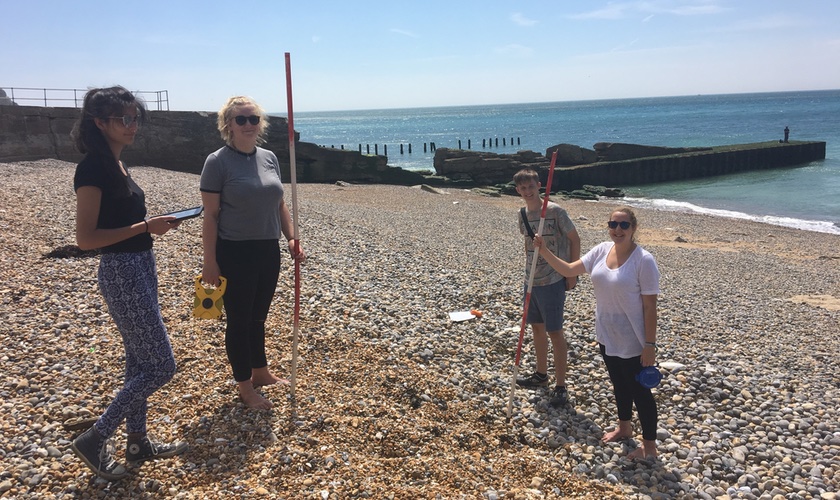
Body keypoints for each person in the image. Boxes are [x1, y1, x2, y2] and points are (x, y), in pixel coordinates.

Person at [70, 86, 188, 481]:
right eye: (124, 118)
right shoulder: (93, 168)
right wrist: (145, 226)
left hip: (141, 264)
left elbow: (124, 225)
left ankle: (137, 441)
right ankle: (95, 437)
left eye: (136, 117)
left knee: (139, 360)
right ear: (99, 122)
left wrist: (151, 230)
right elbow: (86, 239)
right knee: (162, 365)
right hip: (122, 272)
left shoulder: (118, 165)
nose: (132, 125)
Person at [200, 96, 305, 410]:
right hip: (234, 252)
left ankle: (261, 372)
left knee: (258, 317)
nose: (248, 125)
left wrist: (291, 238)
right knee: (239, 321)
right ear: (228, 125)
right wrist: (210, 262)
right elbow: (211, 216)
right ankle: (245, 386)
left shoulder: (269, 157)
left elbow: (280, 203)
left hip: (267, 250)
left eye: (253, 119)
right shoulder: (217, 162)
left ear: (261, 123)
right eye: (240, 119)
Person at [533, 207, 661, 459]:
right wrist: (544, 250)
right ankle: (624, 427)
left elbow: (650, 306)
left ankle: (649, 447)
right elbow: (569, 270)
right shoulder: (602, 250)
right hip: (607, 333)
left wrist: (650, 344)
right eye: (613, 224)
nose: (618, 230)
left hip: (634, 339)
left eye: (624, 225)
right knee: (619, 384)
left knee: (640, 393)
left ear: (633, 228)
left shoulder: (643, 260)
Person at [513, 168, 580, 407]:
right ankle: (541, 375)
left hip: (553, 280)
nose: (527, 191)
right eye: (522, 188)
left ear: (539, 185)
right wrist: (528, 270)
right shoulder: (522, 214)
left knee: (555, 332)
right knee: (537, 329)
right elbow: (527, 245)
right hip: (531, 280)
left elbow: (574, 239)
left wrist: (571, 272)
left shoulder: (555, 211)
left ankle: (560, 386)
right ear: (517, 190)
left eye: (530, 186)